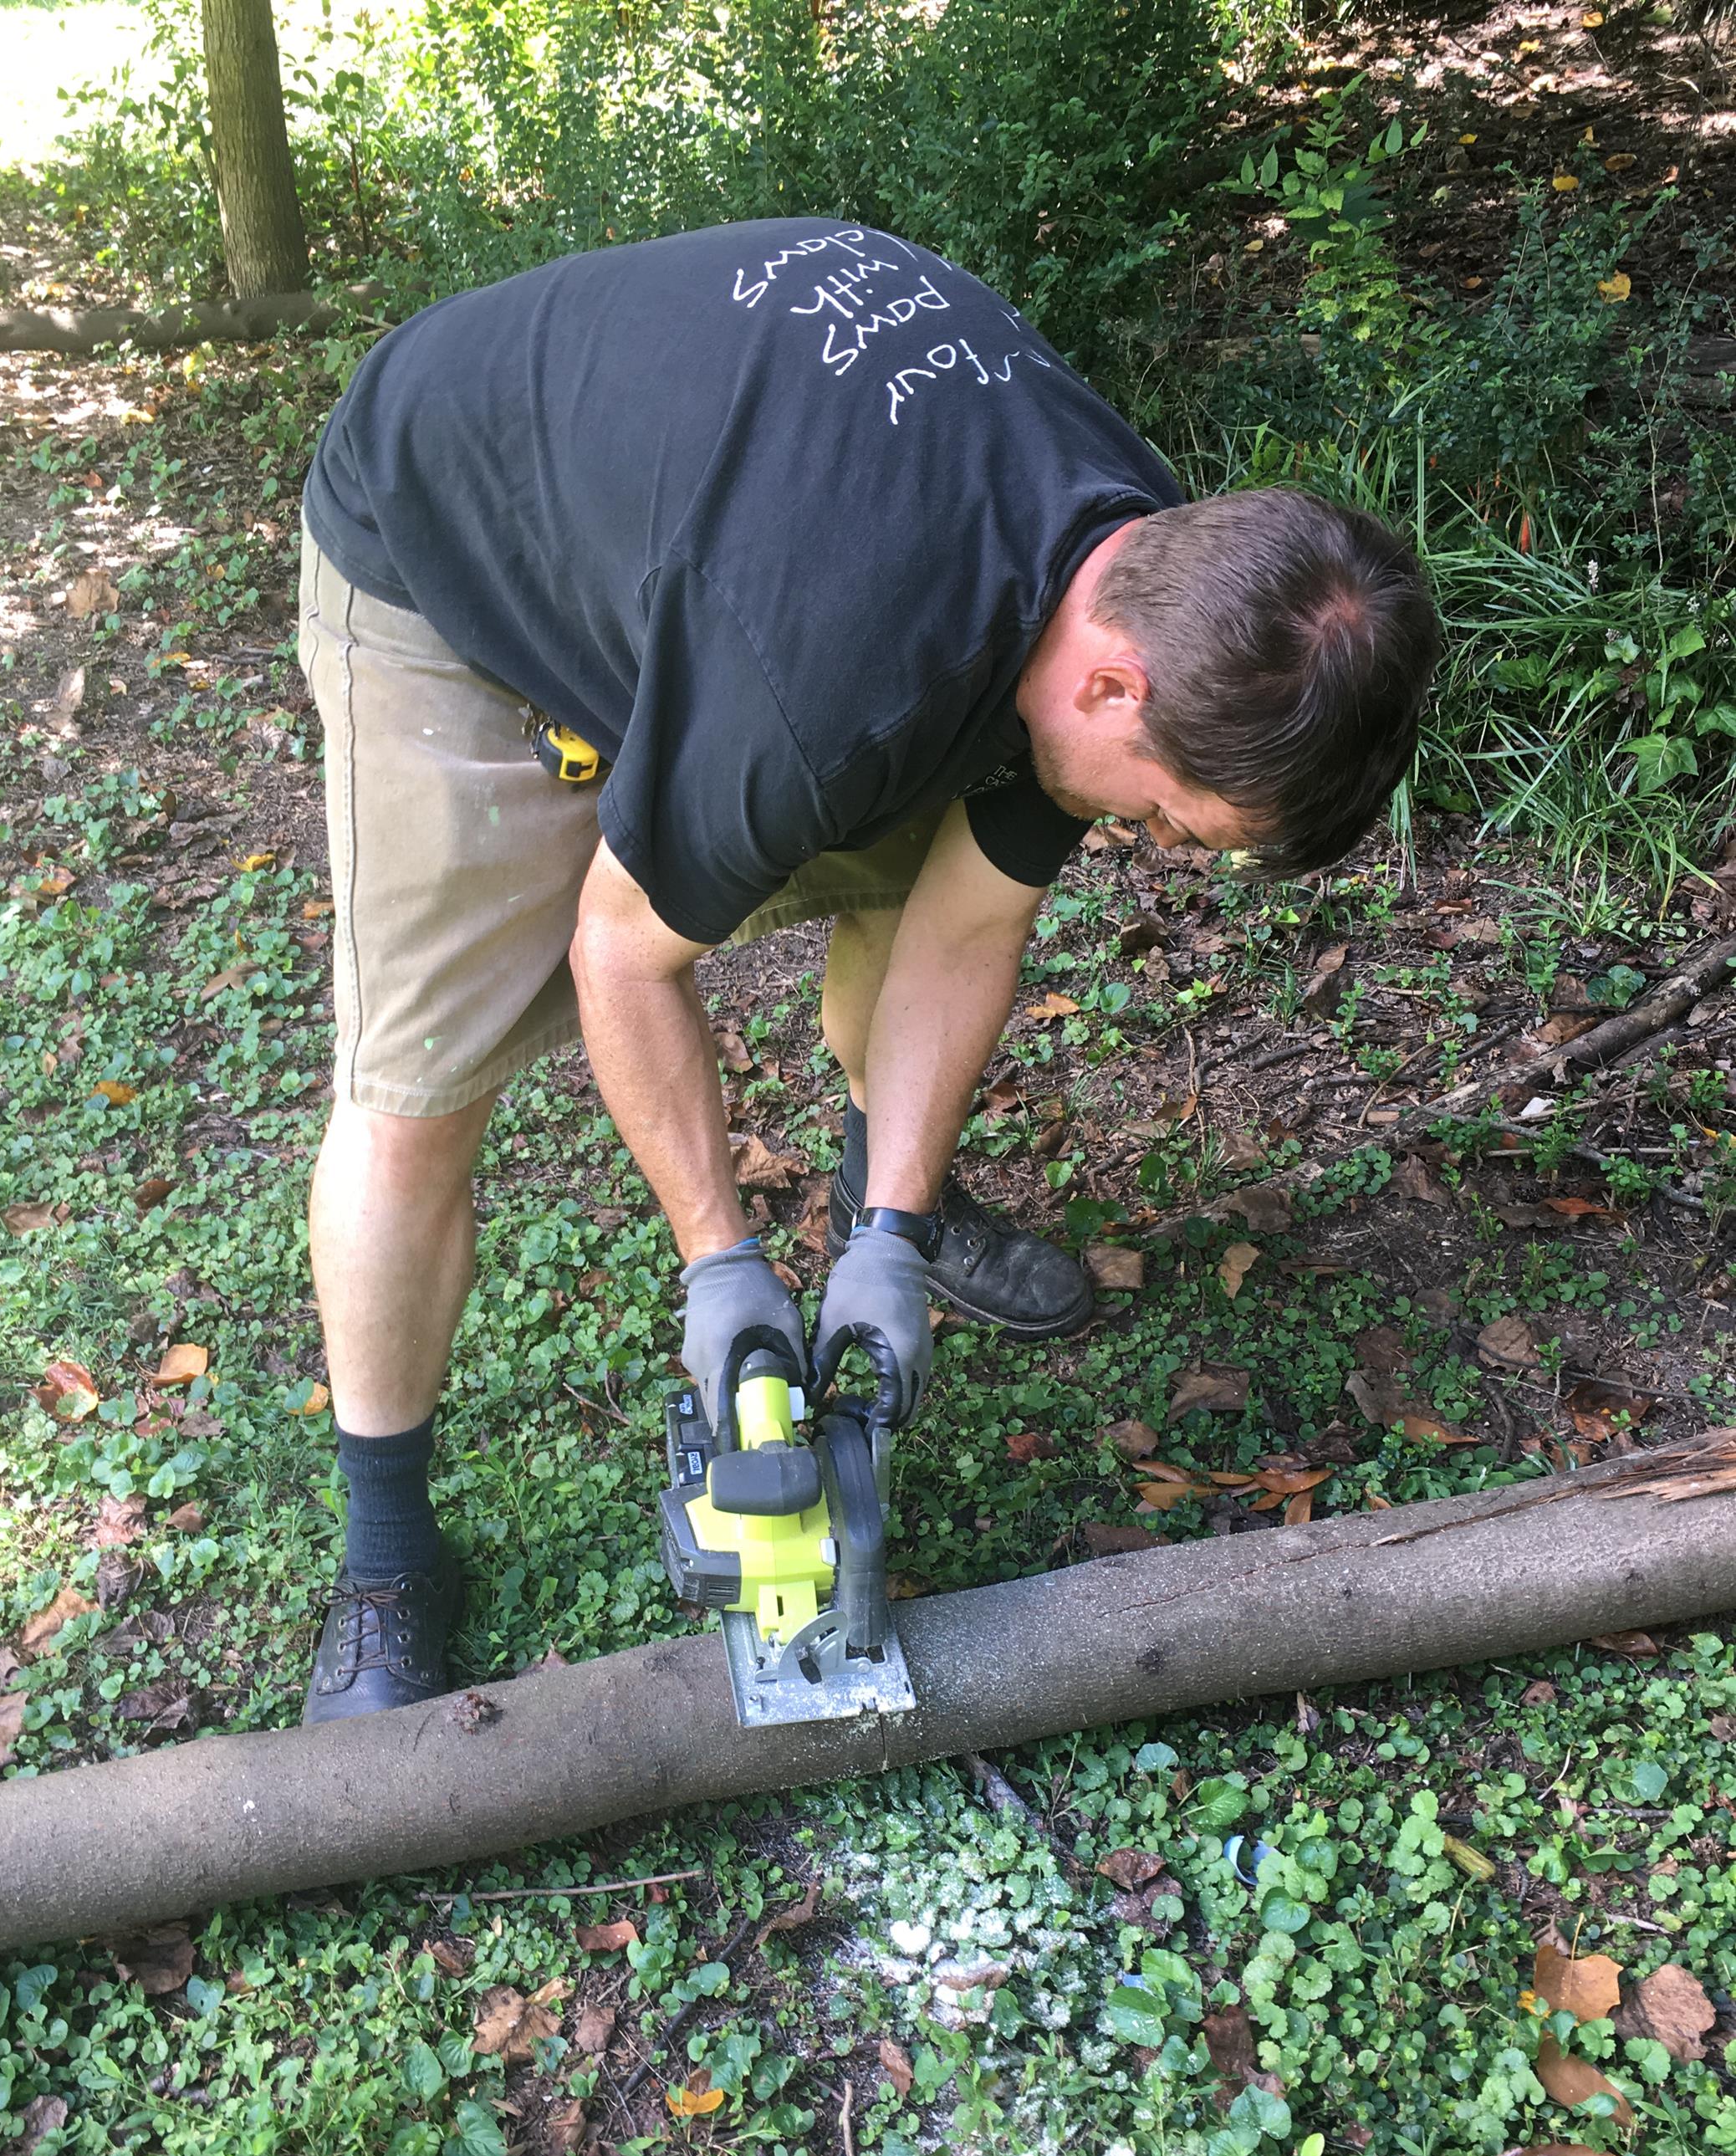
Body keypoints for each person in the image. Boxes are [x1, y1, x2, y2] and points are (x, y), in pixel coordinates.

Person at [294, 217, 1440, 1724]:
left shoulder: (1169, 582)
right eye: (1168, 813)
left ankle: (889, 1205)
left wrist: (887, 1229)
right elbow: (621, 957)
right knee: (416, 1093)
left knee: (911, 888)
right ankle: (386, 1560)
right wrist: (720, 1267)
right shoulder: (829, 681)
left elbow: (965, 922)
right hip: (447, 539)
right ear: (1112, 682)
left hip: (713, 555)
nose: (1158, 847)